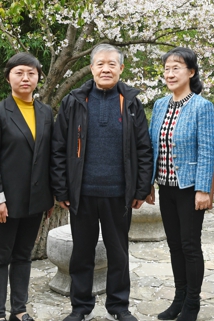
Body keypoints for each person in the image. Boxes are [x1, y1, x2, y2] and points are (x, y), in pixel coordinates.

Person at [51, 44, 154, 321]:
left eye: (112, 64)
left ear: (121, 68)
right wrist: (61, 188)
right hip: (82, 193)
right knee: (81, 253)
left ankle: (118, 307)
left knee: (118, 254)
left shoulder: (130, 103)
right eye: (100, 64)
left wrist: (141, 188)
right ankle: (80, 307)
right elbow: (58, 148)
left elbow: (144, 148)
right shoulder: (74, 101)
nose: (105, 69)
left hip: (118, 194)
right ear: (92, 68)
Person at [0, 52, 54, 321]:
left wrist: (49, 197)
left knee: (23, 255)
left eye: (31, 73)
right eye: (19, 73)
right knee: (0, 256)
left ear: (38, 78)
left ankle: (19, 311)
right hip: (6, 201)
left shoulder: (45, 112)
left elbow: (49, 157)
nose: (25, 78)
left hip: (36, 200)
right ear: (8, 77)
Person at [146, 48, 214, 321]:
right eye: (167, 69)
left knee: (190, 245)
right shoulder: (160, 105)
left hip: (189, 188)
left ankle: (192, 304)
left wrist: (203, 189)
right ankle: (179, 298)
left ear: (191, 72)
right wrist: (149, 183)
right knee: (174, 245)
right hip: (166, 187)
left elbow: (207, 150)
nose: (170, 73)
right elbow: (152, 147)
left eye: (176, 68)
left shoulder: (202, 106)